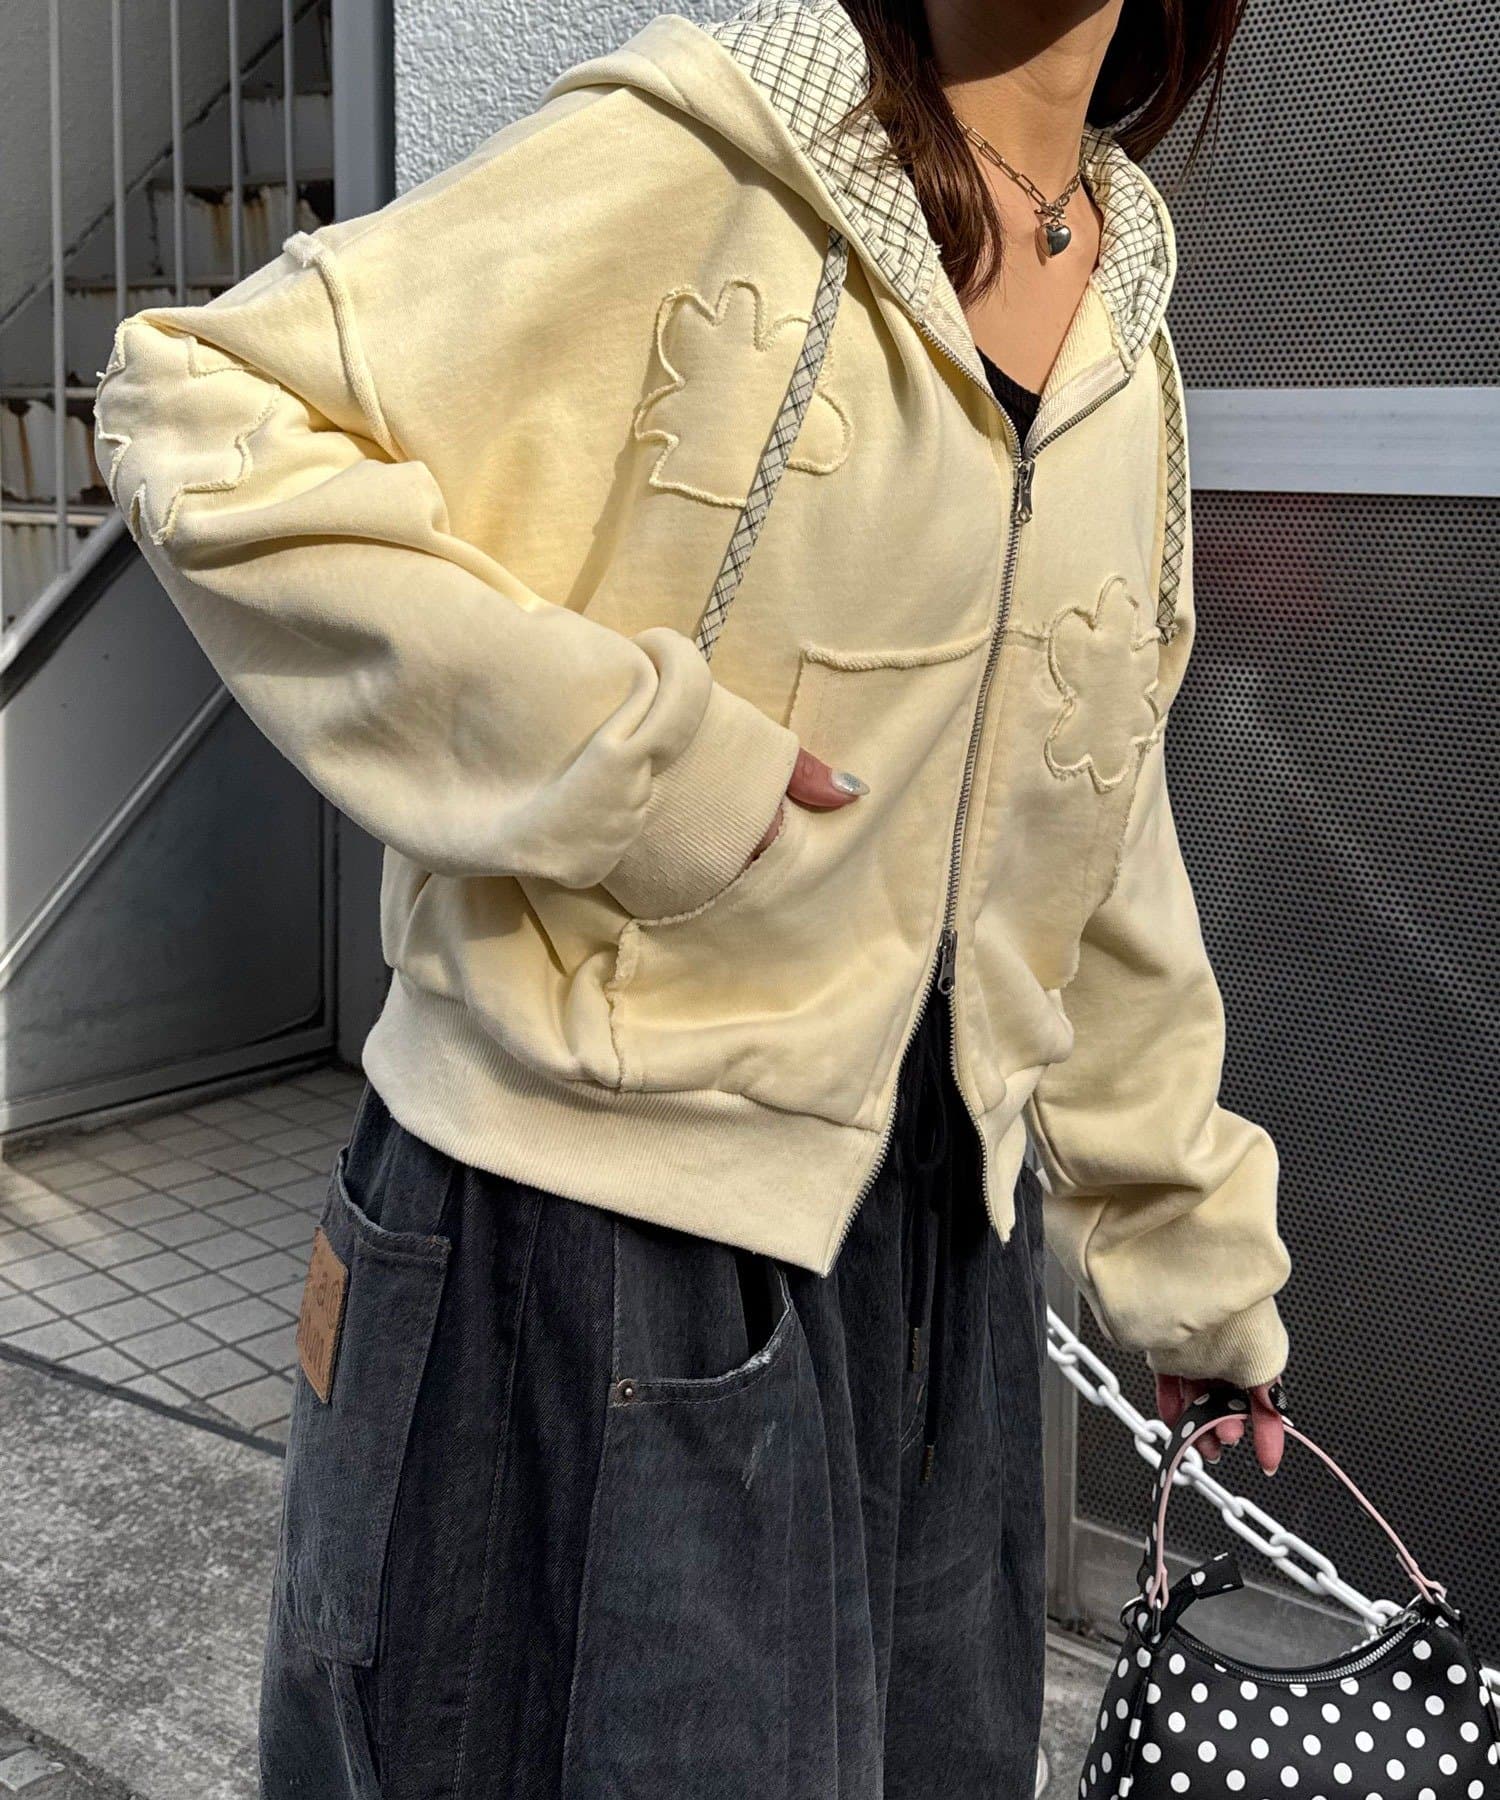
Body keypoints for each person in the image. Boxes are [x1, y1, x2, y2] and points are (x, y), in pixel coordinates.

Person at [93, 0, 1293, 1791]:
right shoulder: (718, 150)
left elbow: (1091, 798)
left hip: (939, 1260)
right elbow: (204, 410)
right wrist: (631, 763)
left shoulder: (1125, 301)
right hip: (583, 1225)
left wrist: (1184, 1244)